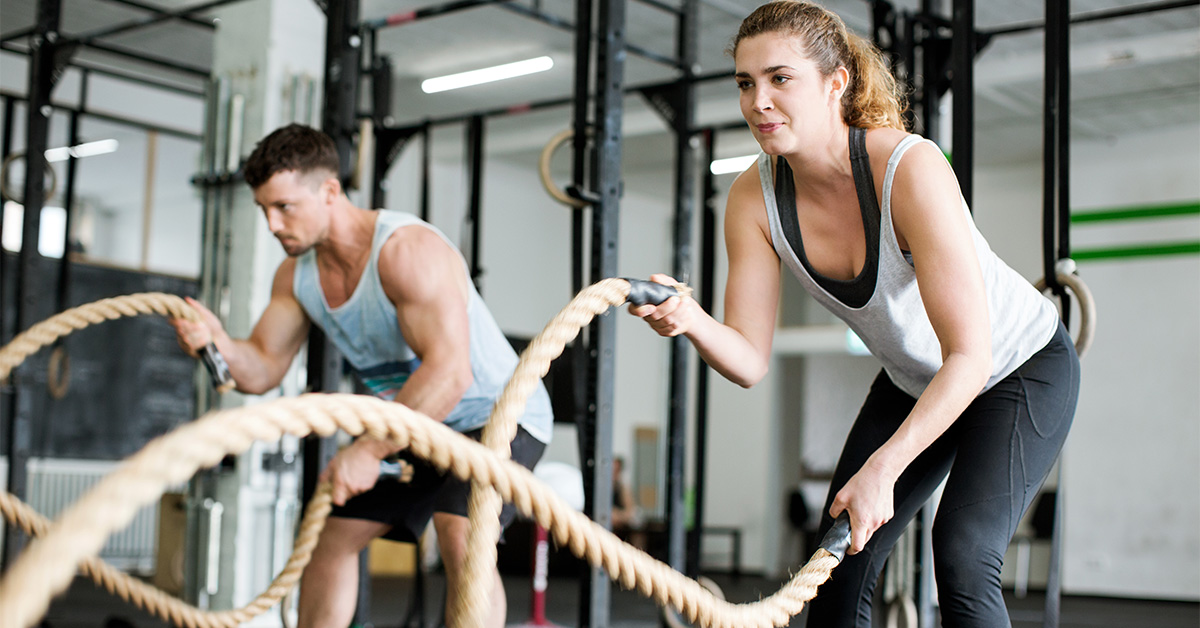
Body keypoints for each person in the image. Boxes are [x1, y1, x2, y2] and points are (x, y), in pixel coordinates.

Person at [628, 2, 1079, 626]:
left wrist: (884, 469)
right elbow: (751, 362)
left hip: (1018, 369)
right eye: (745, 82)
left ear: (836, 82)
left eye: (780, 78)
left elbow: (971, 358)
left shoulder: (910, 170)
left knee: (963, 555)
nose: (758, 100)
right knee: (836, 567)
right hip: (914, 379)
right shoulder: (752, 199)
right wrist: (691, 320)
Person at [170, 124, 554, 628]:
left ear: (330, 191)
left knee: (460, 529)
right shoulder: (298, 275)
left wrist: (368, 450)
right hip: (419, 424)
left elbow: (450, 372)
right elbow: (261, 366)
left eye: (284, 207)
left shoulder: (406, 252)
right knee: (335, 533)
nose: (272, 223)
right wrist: (216, 344)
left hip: (499, 416)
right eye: (265, 209)